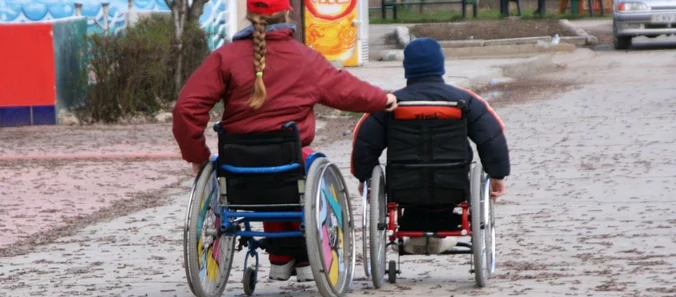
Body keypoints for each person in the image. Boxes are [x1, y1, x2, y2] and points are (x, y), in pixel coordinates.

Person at [172, 0, 398, 282]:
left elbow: (186, 109)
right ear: (288, 12)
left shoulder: (225, 58)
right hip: (290, 163)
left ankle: (281, 256)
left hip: (237, 167)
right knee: (301, 168)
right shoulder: (305, 58)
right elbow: (347, 91)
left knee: (272, 175)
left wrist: (198, 155)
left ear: (249, 13)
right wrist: (383, 99)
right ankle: (301, 254)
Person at [350, 37, 510, 255]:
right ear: (440, 65)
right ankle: (439, 234)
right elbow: (492, 138)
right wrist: (498, 176)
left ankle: (416, 235)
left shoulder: (390, 104)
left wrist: (364, 178)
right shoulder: (464, 100)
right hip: (454, 185)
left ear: (407, 67)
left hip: (403, 186)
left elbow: (364, 144)